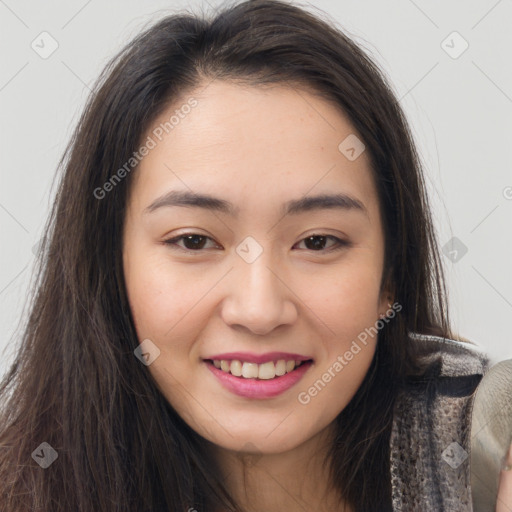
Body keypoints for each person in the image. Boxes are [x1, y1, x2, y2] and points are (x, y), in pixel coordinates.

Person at [0, 1, 510, 510]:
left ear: (390, 277)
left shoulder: (490, 455)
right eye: (194, 241)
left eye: (317, 242)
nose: (260, 310)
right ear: (111, 268)